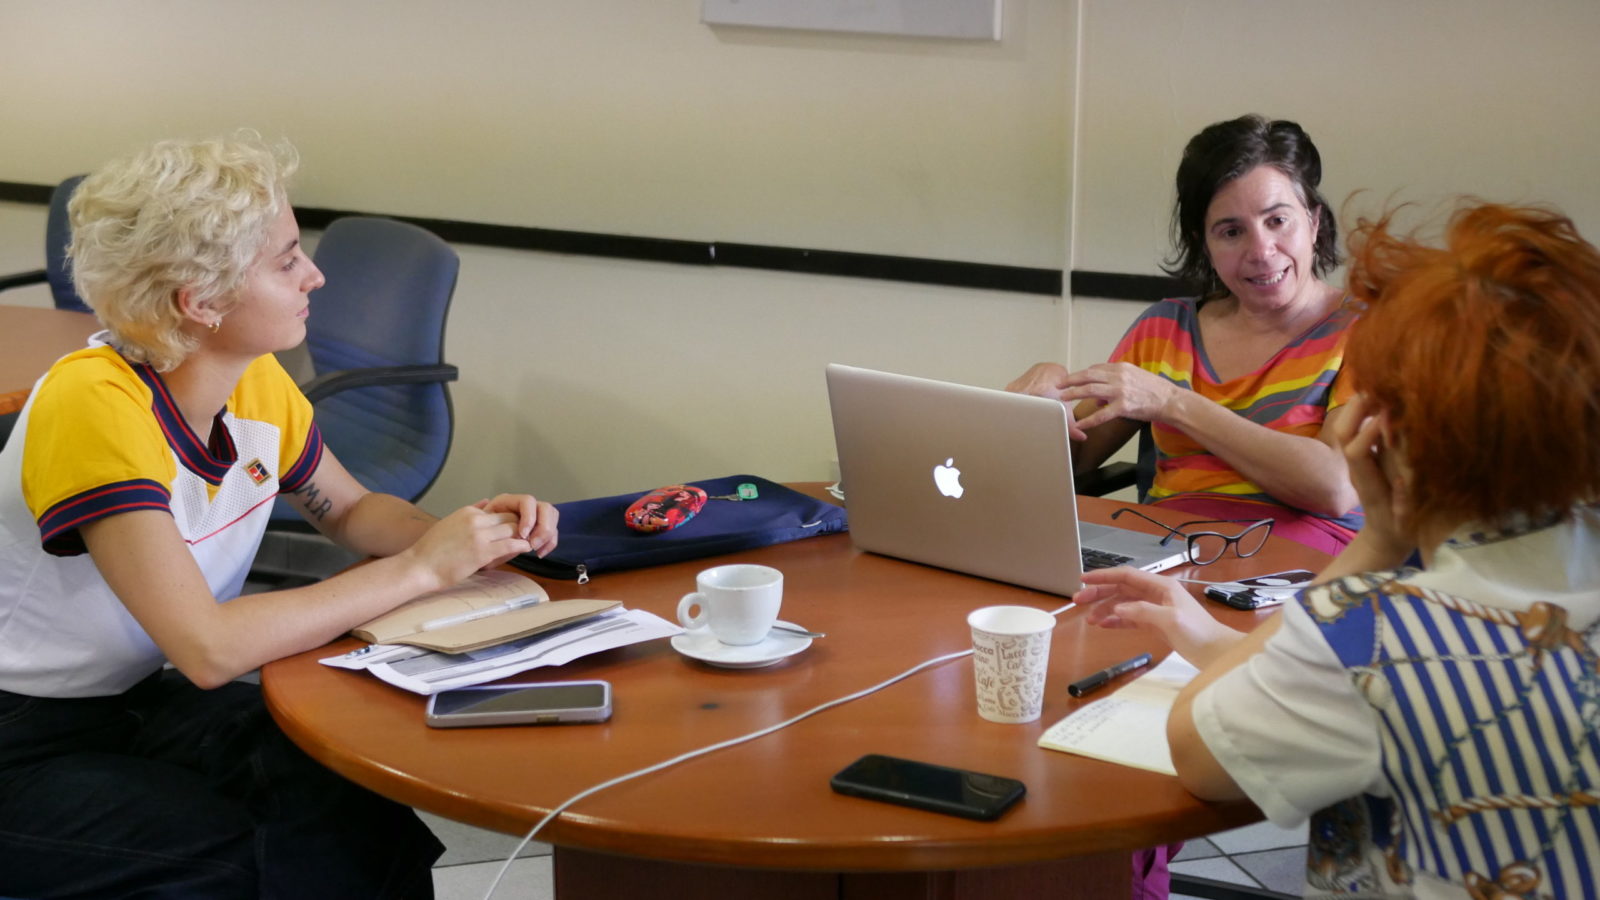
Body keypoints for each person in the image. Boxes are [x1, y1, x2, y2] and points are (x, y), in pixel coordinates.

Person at [0, 133, 560, 898]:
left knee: (345, 796)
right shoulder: (91, 404)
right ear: (200, 301)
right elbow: (207, 648)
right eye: (287, 258)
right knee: (237, 861)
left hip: (123, 703)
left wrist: (470, 533)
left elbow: (354, 511)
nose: (316, 275)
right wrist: (422, 567)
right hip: (19, 738)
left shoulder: (253, 380)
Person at [1076, 202, 1600, 897]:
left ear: (1393, 436)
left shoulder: (1375, 639)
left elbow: (1197, 749)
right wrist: (1208, 638)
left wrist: (1374, 545)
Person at [1008, 114, 1362, 555]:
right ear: (1204, 244)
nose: (1261, 251)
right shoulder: (1165, 329)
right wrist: (1040, 408)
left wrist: (1172, 403)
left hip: (1297, 570)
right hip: (1166, 558)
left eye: (1277, 221)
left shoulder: (1366, 331)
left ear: (1313, 222)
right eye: (1231, 232)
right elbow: (1073, 464)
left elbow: (1335, 487)